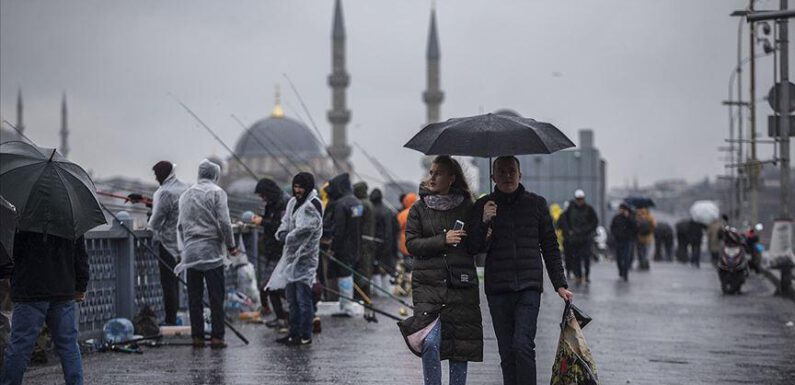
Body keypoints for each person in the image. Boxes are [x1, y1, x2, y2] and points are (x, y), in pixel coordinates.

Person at [468, 156, 573, 385]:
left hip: (528, 286)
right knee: (507, 353)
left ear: (520, 175)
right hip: (497, 288)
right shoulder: (484, 206)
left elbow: (550, 245)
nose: (507, 176)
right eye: (502, 172)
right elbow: (472, 247)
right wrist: (485, 220)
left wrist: (560, 284)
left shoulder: (536, 204)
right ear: (493, 176)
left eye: (511, 171)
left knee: (522, 345)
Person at [398, 155, 482, 385]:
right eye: (431, 172)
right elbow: (412, 244)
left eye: (438, 173)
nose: (432, 177)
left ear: (452, 178)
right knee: (430, 342)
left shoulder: (468, 207)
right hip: (428, 286)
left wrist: (485, 225)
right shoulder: (419, 208)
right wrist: (442, 240)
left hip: (460, 286)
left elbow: (476, 247)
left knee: (459, 347)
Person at [0, 232, 88, 385]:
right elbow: (80, 254)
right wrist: (81, 285)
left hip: (29, 290)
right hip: (62, 289)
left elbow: (10, 252)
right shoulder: (70, 213)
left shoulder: (22, 214)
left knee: (20, 347)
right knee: (68, 346)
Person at [175, 159, 238, 349]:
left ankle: (198, 337)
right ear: (215, 175)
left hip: (192, 253)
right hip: (212, 252)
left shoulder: (186, 195)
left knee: (194, 297)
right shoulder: (217, 193)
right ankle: (217, 337)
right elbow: (225, 223)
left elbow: (180, 226)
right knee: (215, 296)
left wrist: (186, 247)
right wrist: (231, 245)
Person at [269, 172, 324, 346]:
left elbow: (304, 230)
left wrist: (287, 237)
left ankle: (305, 334)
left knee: (303, 298)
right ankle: (293, 333)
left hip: (305, 259)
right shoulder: (293, 202)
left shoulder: (313, 204)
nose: (297, 190)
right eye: (296, 186)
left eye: (301, 187)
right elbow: (285, 222)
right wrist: (282, 233)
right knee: (291, 298)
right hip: (291, 258)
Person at [147, 160, 188, 326]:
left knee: (168, 284)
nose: (156, 179)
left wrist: (149, 226)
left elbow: (156, 221)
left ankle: (170, 321)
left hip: (168, 245)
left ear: (162, 174)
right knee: (178, 283)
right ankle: (177, 317)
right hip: (184, 243)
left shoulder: (165, 192)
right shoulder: (184, 188)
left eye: (157, 175)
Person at [321, 173, 363, 317]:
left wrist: (333, 248)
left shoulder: (341, 204)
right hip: (355, 245)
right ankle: (346, 304)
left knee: (344, 275)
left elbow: (339, 230)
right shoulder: (356, 202)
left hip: (343, 247)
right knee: (348, 274)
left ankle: (346, 307)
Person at [251, 178, 290, 333]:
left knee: (272, 285)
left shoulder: (283, 203)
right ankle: (281, 317)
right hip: (272, 250)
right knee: (271, 286)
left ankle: (288, 316)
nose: (262, 198)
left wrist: (262, 222)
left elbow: (280, 226)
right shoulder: (273, 203)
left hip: (280, 252)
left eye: (263, 195)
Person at [559, 190, 599, 284]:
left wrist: (587, 230)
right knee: (576, 258)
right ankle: (578, 275)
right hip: (575, 238)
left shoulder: (589, 209)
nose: (579, 201)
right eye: (578, 199)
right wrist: (569, 231)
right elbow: (564, 221)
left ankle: (587, 275)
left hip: (586, 238)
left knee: (586, 258)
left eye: (581, 199)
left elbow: (594, 221)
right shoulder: (571, 209)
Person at [353, 181, 376, 320]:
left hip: (362, 244)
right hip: (369, 242)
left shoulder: (362, 205)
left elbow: (356, 222)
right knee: (366, 271)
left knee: (362, 271)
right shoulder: (369, 203)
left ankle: (364, 299)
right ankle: (366, 299)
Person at [370, 188, 399, 297]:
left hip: (375, 245)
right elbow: (392, 230)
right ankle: (386, 294)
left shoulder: (372, 210)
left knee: (375, 270)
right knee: (386, 270)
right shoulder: (388, 211)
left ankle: (379, 293)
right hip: (388, 246)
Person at [610, 203, 638, 281]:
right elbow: (612, 227)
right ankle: (621, 271)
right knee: (619, 258)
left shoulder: (630, 218)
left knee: (626, 257)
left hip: (627, 240)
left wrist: (628, 217)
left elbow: (635, 227)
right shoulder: (616, 218)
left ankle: (625, 273)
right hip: (618, 240)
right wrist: (615, 235)